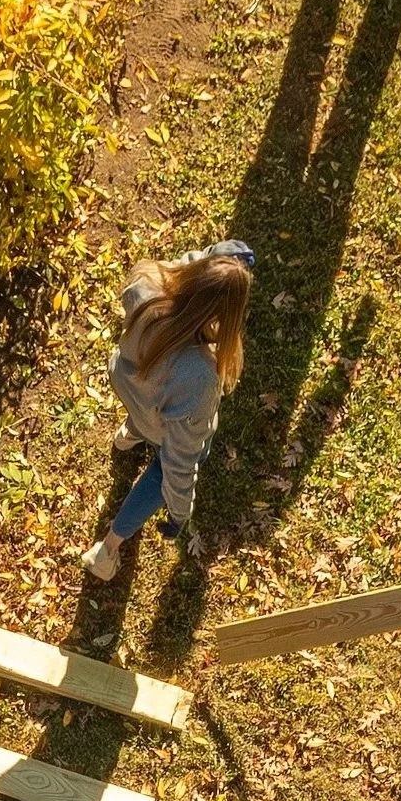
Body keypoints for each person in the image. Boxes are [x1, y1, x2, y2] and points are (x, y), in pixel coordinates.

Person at [82, 239, 255, 582]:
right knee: (161, 471)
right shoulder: (198, 375)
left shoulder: (149, 281)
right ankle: (107, 550)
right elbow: (180, 460)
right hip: (158, 416)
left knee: (145, 413)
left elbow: (184, 266)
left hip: (130, 385)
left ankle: (128, 436)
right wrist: (178, 512)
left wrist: (217, 258)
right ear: (225, 315)